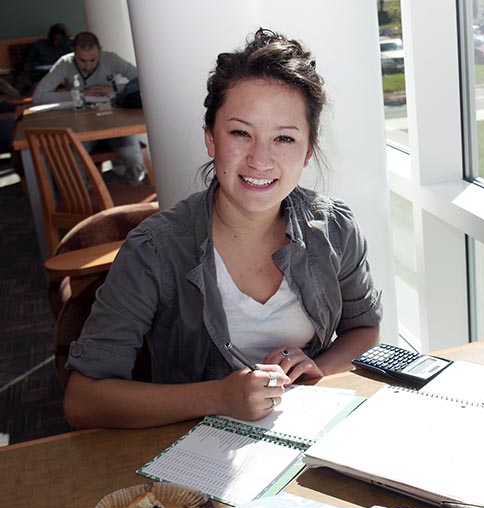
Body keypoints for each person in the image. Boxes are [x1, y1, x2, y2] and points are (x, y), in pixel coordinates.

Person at [62, 28, 383, 429]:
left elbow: (365, 327)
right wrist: (220, 397)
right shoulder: (154, 250)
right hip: (190, 457)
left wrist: (319, 367)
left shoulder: (335, 229)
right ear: (211, 139)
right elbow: (82, 400)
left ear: (307, 153)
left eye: (284, 138)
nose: (260, 160)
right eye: (240, 133)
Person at [32, 31, 146, 184]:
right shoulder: (65, 63)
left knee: (133, 157)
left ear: (100, 50)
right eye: (82, 61)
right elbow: (38, 97)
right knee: (72, 159)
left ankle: (133, 188)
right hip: (82, 126)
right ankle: (88, 194)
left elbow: (142, 80)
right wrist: (79, 94)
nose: (88, 65)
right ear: (73, 52)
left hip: (114, 123)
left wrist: (113, 89)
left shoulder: (110, 58)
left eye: (93, 60)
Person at [15, 23, 72, 96]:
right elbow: (28, 60)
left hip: (53, 71)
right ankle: (18, 98)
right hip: (37, 70)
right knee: (23, 79)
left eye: (59, 39)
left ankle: (33, 97)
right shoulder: (40, 44)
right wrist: (30, 69)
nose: (56, 42)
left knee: (41, 82)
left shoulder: (66, 46)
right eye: (54, 39)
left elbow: (70, 61)